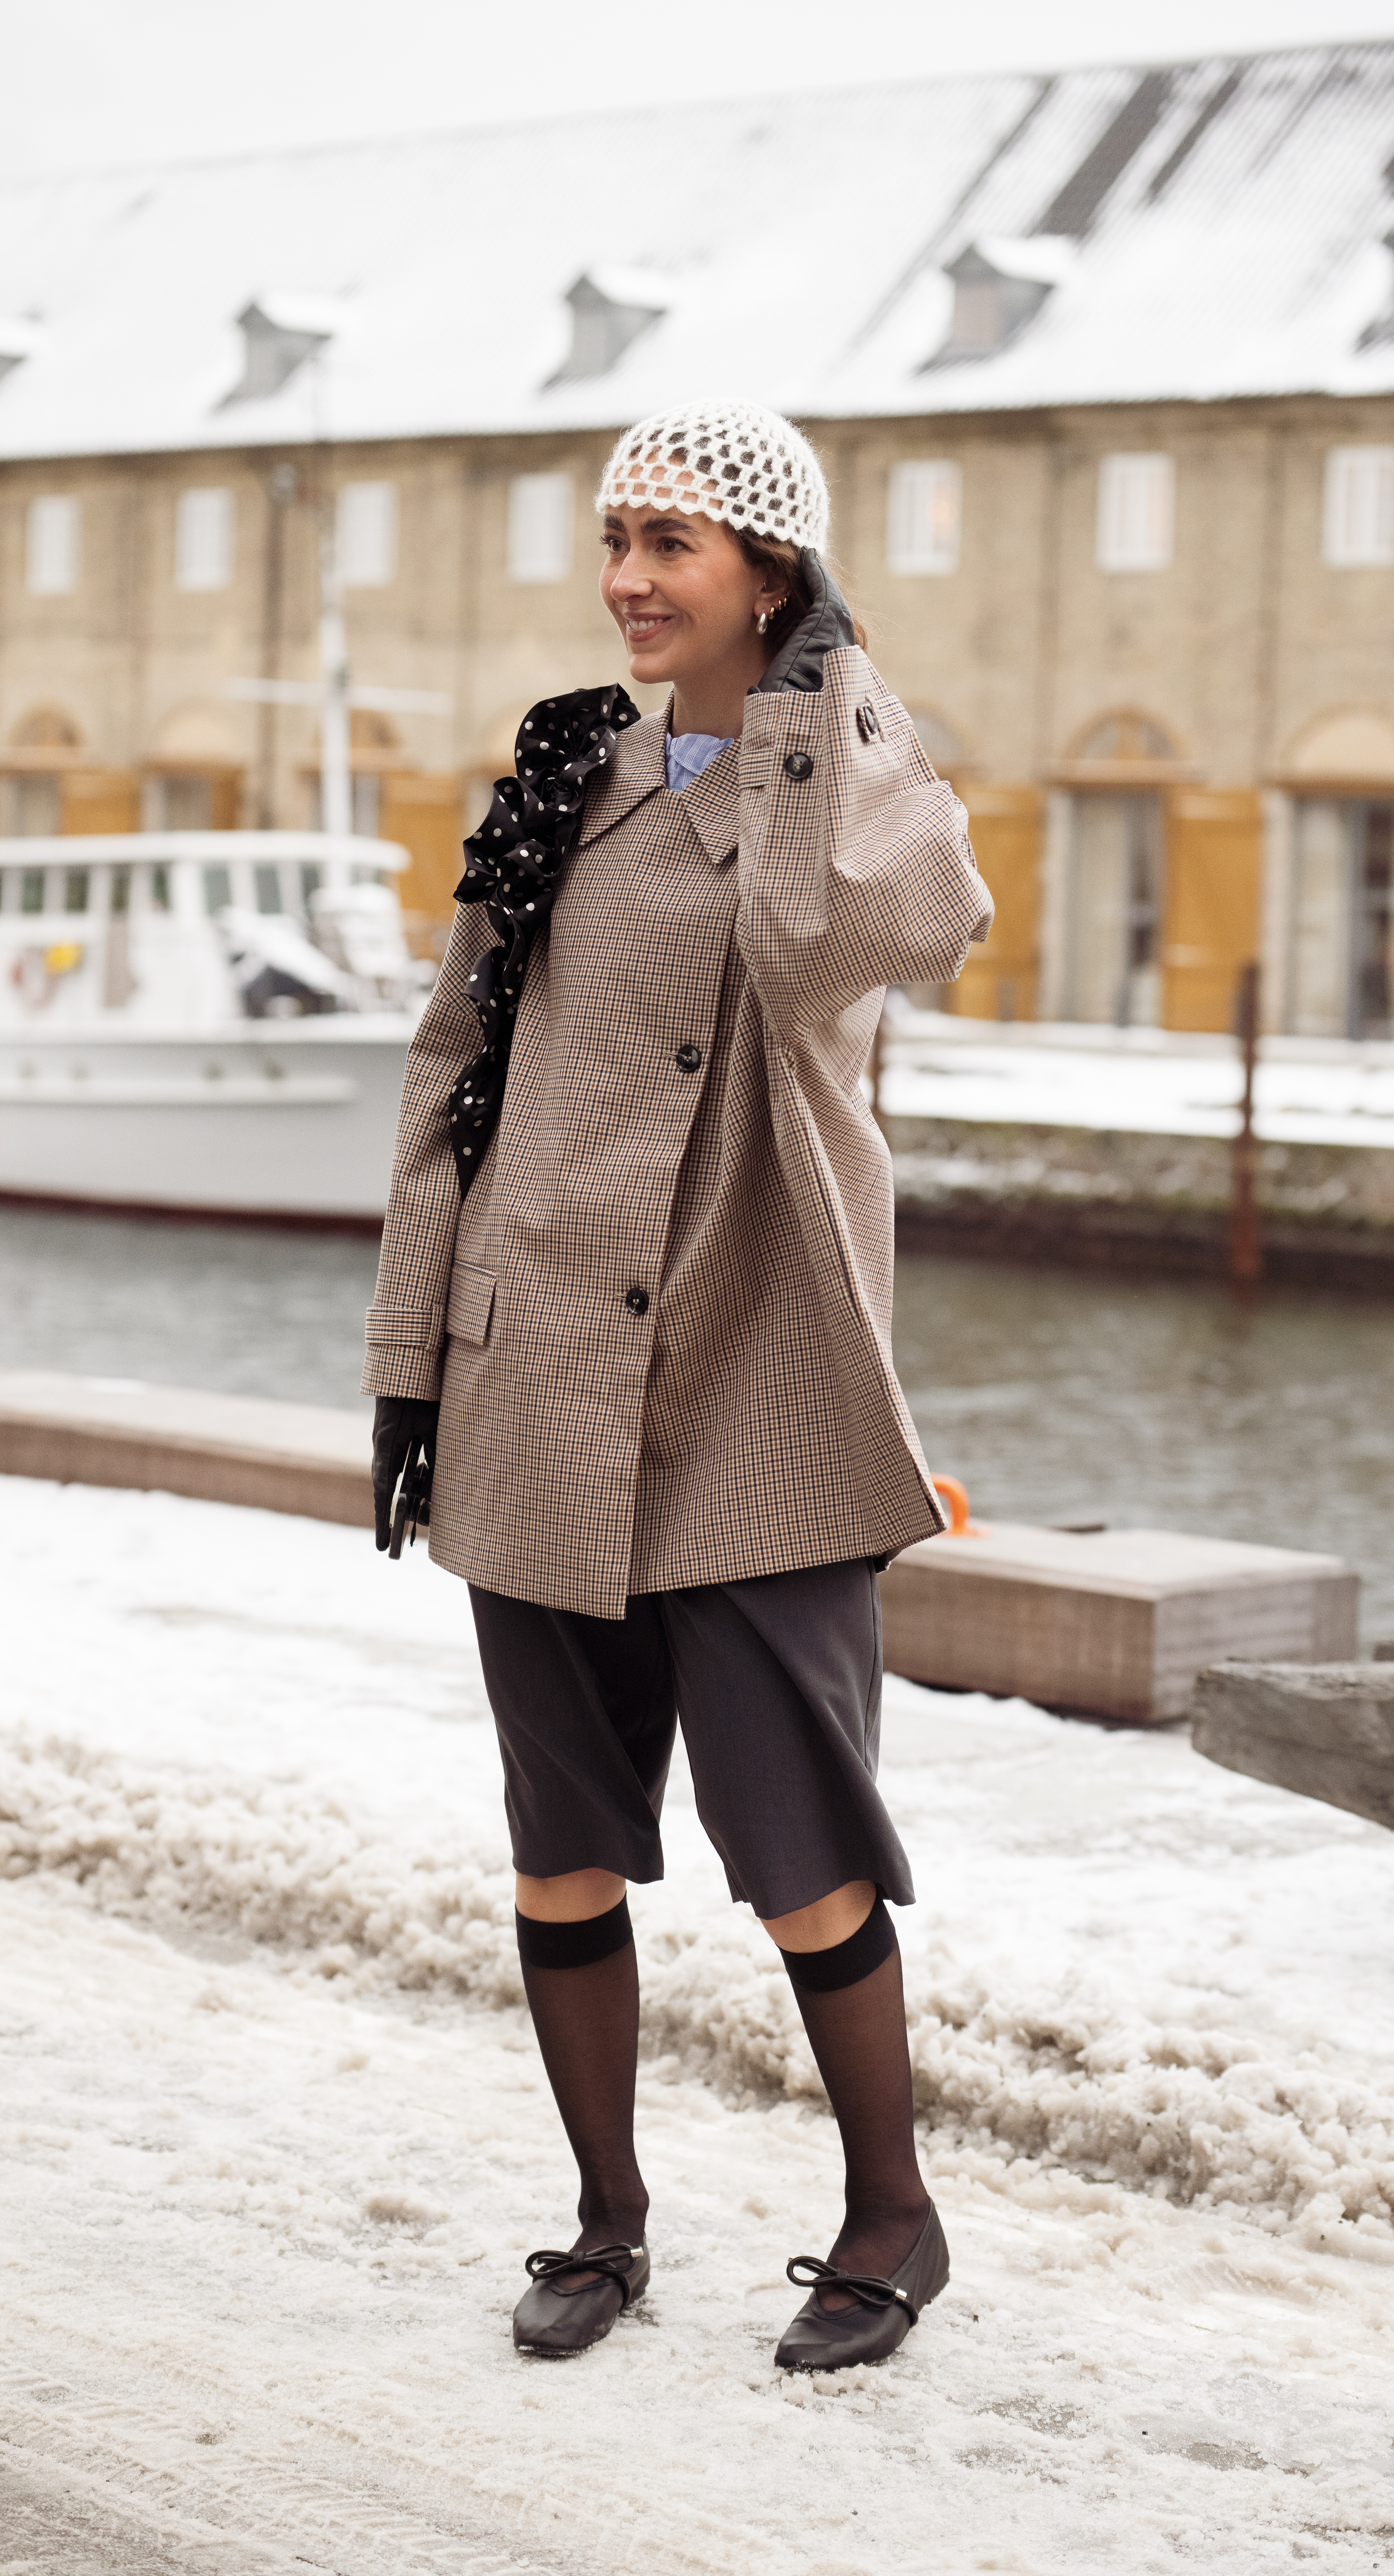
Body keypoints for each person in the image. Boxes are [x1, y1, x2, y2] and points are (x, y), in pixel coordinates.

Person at [363, 399, 992, 2371]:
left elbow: (837, 950)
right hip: (536, 1370)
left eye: (674, 544)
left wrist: (811, 704)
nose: (629, 578)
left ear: (772, 574)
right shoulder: (565, 776)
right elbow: (453, 1077)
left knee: (801, 1851)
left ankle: (892, 2216)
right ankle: (604, 2221)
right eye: (616, 538)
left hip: (757, 1387)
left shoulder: (864, 787)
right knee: (561, 1839)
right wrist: (409, 1363)